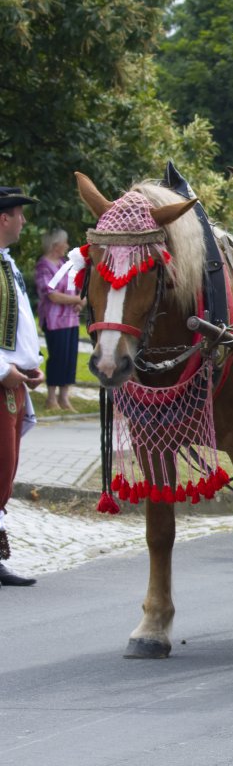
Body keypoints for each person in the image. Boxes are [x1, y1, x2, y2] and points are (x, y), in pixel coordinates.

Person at [0, 186, 44, 587]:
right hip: (1, 380)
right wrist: (3, 369)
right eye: (19, 214)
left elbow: (22, 323)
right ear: (3, 219)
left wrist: (34, 364)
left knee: (5, 469)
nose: (24, 221)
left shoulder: (7, 264)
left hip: (14, 381)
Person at [34, 228, 84, 411]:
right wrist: (78, 299)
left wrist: (79, 301)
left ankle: (64, 398)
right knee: (57, 358)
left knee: (69, 358)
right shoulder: (43, 265)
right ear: (56, 245)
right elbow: (52, 295)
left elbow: (74, 286)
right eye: (65, 242)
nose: (68, 246)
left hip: (71, 319)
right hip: (54, 320)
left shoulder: (65, 263)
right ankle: (51, 398)